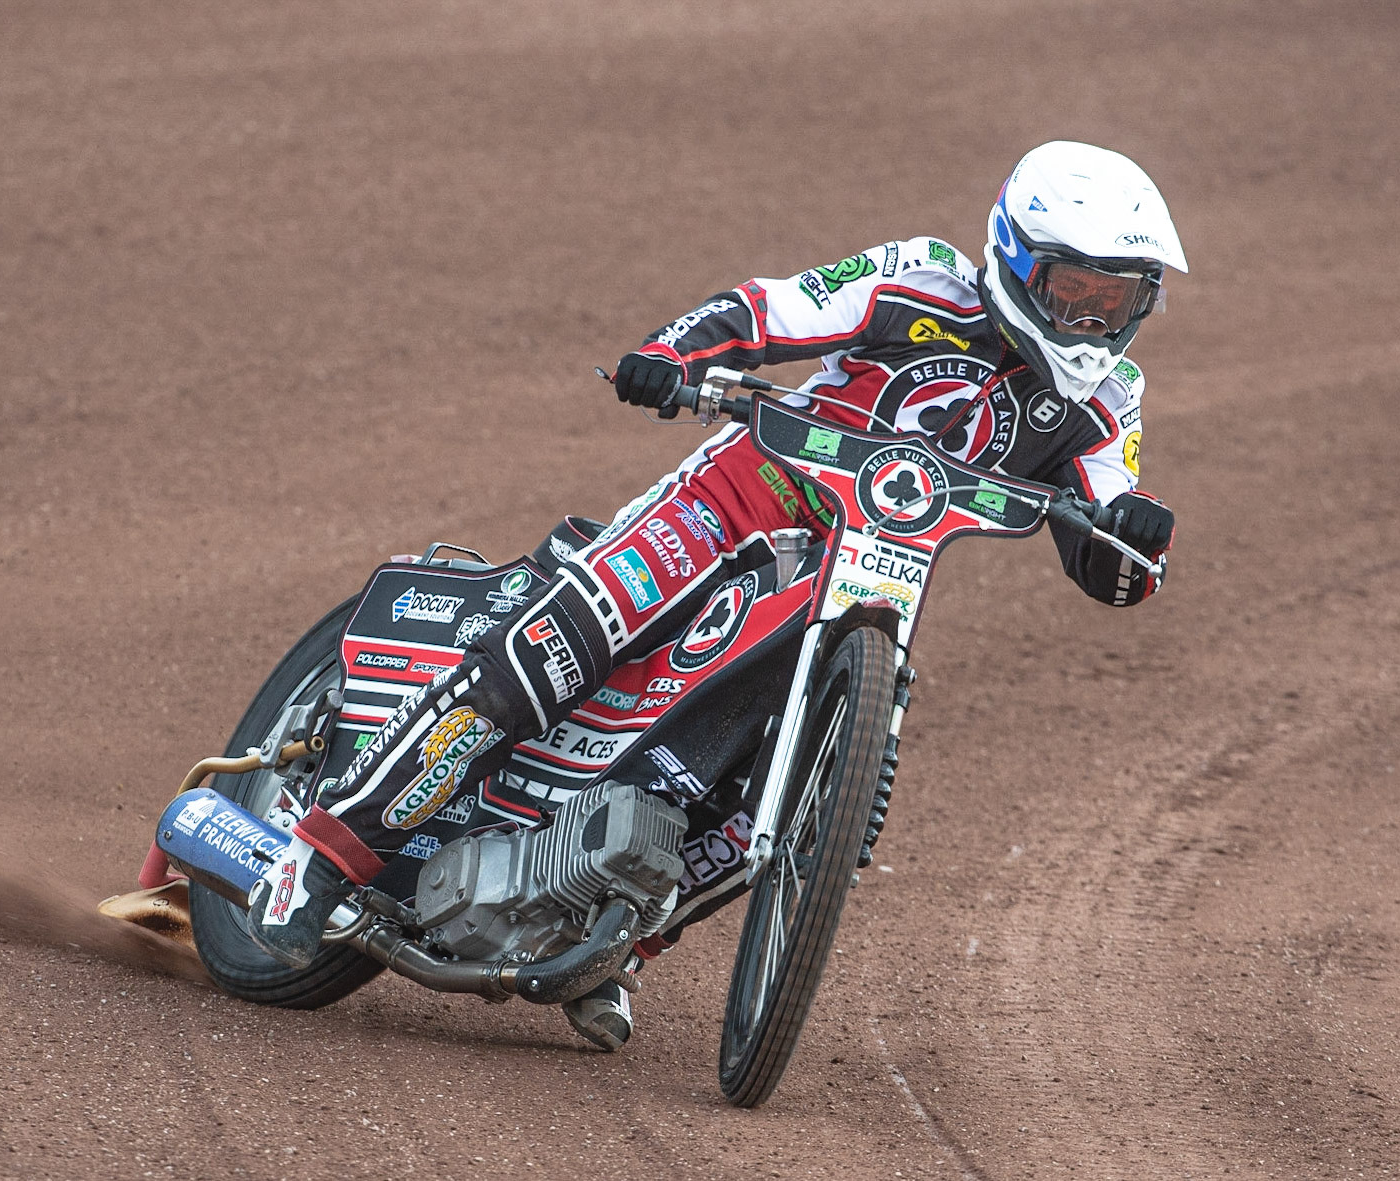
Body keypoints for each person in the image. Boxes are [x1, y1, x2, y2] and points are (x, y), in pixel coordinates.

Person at [246, 140, 1187, 1048]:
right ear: (1019, 260)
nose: (1095, 322)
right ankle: (320, 852)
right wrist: (674, 355)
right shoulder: (925, 277)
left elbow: (1110, 535)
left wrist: (1134, 532)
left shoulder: (1113, 395)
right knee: (554, 652)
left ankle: (613, 937)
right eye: (1078, 292)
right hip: (736, 501)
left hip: (856, 585)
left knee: (767, 803)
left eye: (1120, 300)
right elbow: (772, 308)